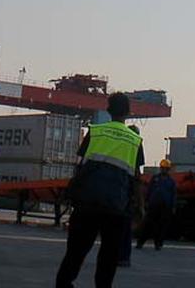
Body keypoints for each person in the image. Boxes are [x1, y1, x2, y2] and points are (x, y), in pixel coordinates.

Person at [55, 93, 144, 288]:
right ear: (128, 113)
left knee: (76, 251)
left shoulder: (95, 132)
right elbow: (136, 179)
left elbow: (79, 167)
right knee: (109, 256)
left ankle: (63, 284)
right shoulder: (135, 140)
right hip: (116, 207)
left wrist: (72, 193)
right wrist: (140, 207)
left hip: (87, 202)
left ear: (108, 110)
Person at [136, 159, 177, 250]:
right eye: (163, 168)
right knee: (147, 225)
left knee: (161, 227)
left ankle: (158, 244)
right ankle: (140, 243)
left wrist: (173, 206)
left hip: (165, 207)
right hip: (153, 206)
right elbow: (149, 190)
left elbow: (173, 194)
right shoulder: (155, 178)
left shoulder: (171, 181)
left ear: (168, 169)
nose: (164, 170)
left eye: (166, 169)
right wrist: (146, 201)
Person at [116, 125, 141, 267]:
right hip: (127, 194)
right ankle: (124, 258)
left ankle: (116, 256)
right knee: (125, 229)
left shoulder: (119, 145)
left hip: (116, 191)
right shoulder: (136, 145)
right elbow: (137, 175)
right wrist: (140, 202)